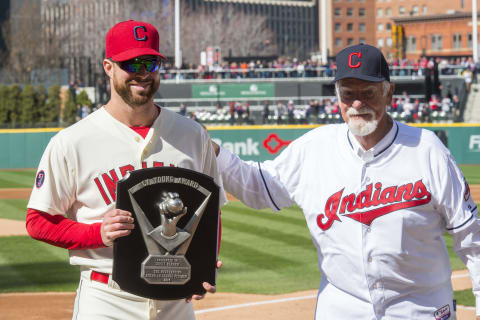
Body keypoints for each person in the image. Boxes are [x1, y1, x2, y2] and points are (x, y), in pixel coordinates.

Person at [213, 44, 480, 319]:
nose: (356, 103)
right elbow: (257, 186)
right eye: (348, 93)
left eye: (368, 93)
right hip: (341, 310)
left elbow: (472, 239)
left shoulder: (427, 150)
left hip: (419, 310)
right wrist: (208, 149)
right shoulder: (315, 148)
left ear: (389, 92)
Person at [25, 20, 225, 320]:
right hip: (107, 299)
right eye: (131, 63)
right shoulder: (72, 141)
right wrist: (97, 233)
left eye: (151, 62)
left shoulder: (193, 135)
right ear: (108, 67)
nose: (142, 72)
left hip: (175, 301)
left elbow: (212, 214)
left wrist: (203, 263)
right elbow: (38, 221)